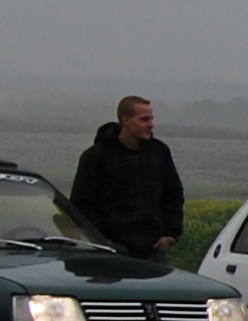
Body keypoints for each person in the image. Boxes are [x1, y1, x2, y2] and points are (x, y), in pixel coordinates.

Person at [70, 97, 187, 258]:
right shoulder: (97, 156)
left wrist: (171, 235)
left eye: (151, 119)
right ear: (126, 120)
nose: (151, 125)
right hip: (111, 254)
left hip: (154, 251)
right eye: (144, 119)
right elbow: (82, 203)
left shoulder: (159, 152)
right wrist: (104, 240)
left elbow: (173, 195)